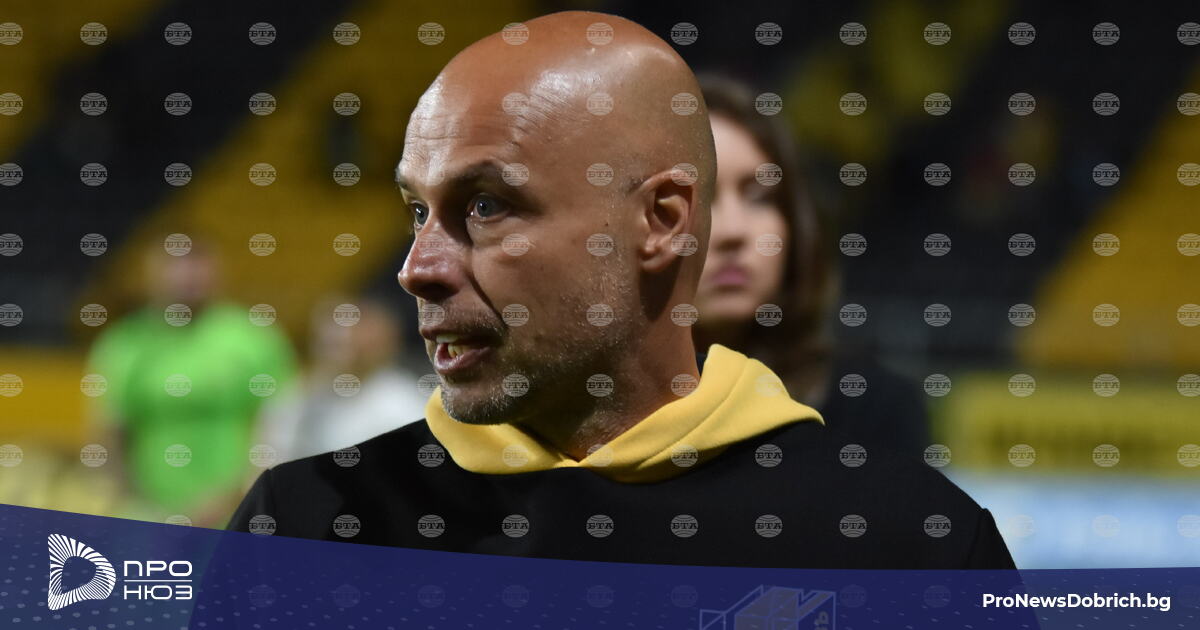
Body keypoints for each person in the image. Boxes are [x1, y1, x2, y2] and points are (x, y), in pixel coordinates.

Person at [228, 10, 1015, 569]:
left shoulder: (909, 542)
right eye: (416, 210)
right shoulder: (301, 528)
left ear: (662, 221)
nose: (416, 267)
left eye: (487, 206)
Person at [693, 75, 932, 458]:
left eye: (760, 197)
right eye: (700, 198)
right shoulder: (601, 407)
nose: (733, 231)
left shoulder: (874, 408)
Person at [88, 238, 296, 526]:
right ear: (152, 273)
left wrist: (232, 499)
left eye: (198, 265)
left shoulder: (256, 339)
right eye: (177, 265)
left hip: (237, 518)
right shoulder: (124, 344)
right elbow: (110, 436)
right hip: (147, 521)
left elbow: (279, 432)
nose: (188, 278)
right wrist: (138, 506)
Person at [254, 295, 427, 462]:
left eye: (346, 341)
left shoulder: (401, 403)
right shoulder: (299, 396)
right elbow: (271, 455)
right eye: (329, 341)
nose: (336, 350)